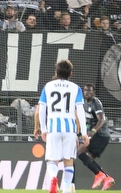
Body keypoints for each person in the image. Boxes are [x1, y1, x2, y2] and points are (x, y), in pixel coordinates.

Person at [35, 60, 88, 193]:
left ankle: (53, 179)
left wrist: (44, 129)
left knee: (52, 160)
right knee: (68, 161)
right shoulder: (76, 88)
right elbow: (80, 110)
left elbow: (42, 109)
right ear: (71, 73)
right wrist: (84, 133)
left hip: (53, 127)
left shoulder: (48, 86)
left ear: (56, 72)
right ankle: (66, 190)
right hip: (70, 128)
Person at [79, 84, 115, 190]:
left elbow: (102, 119)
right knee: (88, 158)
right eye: (85, 90)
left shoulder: (96, 102)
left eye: (89, 91)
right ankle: (106, 177)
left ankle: (99, 174)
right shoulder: (84, 103)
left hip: (100, 134)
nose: (87, 93)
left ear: (93, 92)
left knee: (80, 152)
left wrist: (93, 130)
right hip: (96, 135)